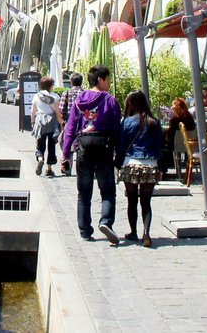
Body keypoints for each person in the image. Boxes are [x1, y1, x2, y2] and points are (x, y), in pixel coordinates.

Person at [60, 65, 122, 244]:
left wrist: (66, 154)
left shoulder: (80, 100)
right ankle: (106, 221)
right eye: (108, 79)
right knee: (108, 190)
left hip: (84, 148)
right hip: (104, 147)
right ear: (100, 80)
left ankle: (84, 229)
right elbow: (116, 129)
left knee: (84, 191)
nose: (110, 83)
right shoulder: (110, 101)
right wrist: (119, 152)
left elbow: (70, 127)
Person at [118, 90, 163, 247]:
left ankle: (133, 232)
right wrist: (160, 167)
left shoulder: (127, 122)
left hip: (131, 163)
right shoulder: (154, 122)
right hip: (150, 164)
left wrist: (117, 163)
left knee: (132, 200)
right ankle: (146, 232)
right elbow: (159, 148)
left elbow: (121, 146)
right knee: (146, 202)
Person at [31, 77, 64, 177]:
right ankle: (49, 168)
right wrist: (61, 123)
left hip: (40, 120)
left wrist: (32, 121)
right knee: (51, 145)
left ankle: (40, 158)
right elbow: (58, 112)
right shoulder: (55, 97)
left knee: (40, 142)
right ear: (50, 86)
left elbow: (33, 111)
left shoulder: (36, 96)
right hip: (52, 122)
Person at [161, 97, 195, 177]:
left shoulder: (175, 119)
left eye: (173, 105)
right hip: (190, 144)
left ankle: (164, 169)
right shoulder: (189, 118)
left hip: (176, 144)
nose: (171, 107)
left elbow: (171, 134)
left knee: (161, 143)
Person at [58, 74, 84, 175]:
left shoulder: (66, 93)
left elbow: (61, 109)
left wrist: (64, 119)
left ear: (71, 82)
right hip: (82, 123)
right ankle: (81, 169)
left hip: (69, 122)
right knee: (80, 146)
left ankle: (67, 168)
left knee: (67, 144)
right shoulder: (84, 93)